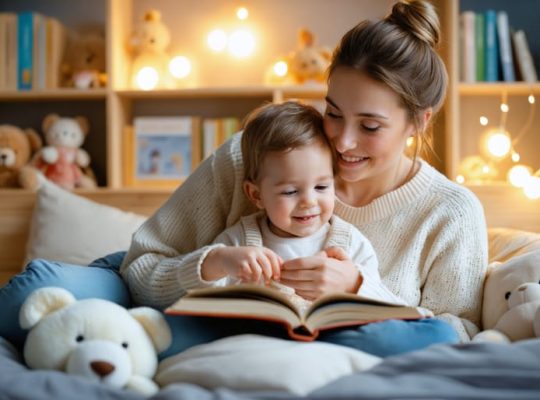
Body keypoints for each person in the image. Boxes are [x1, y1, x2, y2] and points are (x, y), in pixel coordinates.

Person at [120, 0, 487, 357]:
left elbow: (457, 335)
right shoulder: (252, 157)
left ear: (418, 122)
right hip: (231, 340)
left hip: (345, 352)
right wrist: (210, 265)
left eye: (370, 125)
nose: (342, 141)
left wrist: (358, 288)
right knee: (68, 283)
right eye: (333, 112)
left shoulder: (451, 211)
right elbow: (138, 271)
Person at [203, 101, 400, 304]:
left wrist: (354, 285)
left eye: (322, 187)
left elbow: (381, 309)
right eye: (290, 191)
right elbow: (198, 298)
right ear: (256, 195)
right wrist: (218, 261)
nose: (308, 202)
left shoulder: (351, 244)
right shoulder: (238, 242)